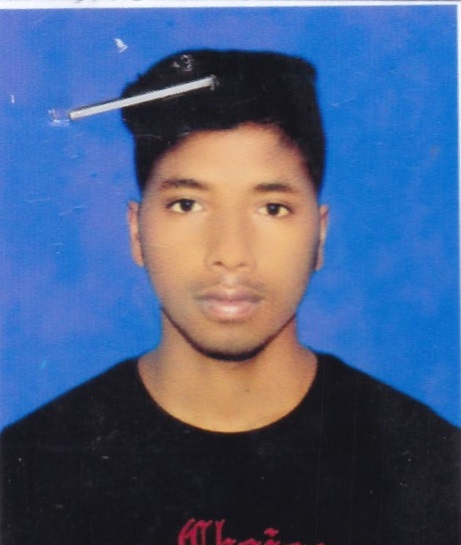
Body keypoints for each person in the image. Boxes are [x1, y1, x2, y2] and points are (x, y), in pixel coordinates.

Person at [1, 49, 459, 545]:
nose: (230, 254)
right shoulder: (28, 472)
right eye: (187, 204)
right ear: (136, 232)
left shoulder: (430, 469)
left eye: (272, 208)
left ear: (320, 235)